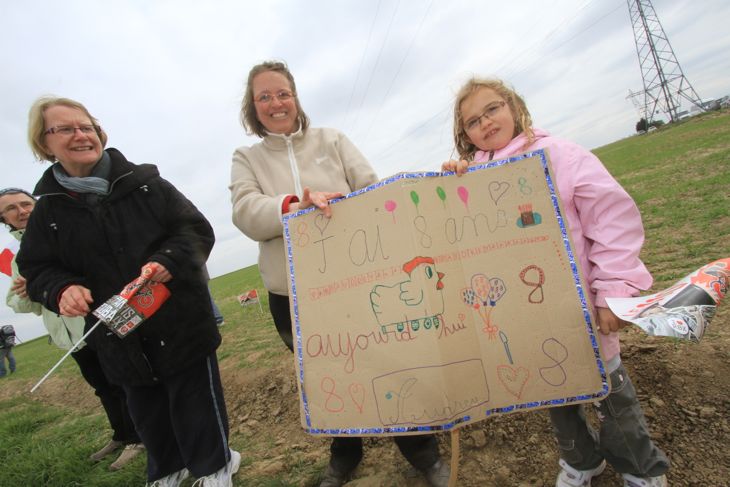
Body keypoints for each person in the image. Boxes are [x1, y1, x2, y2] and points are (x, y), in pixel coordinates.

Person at [230, 60, 450, 487]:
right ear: (252, 108)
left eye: (283, 93)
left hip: (357, 285)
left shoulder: (331, 140)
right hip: (291, 296)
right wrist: (295, 205)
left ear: (295, 97)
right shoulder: (247, 158)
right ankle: (344, 455)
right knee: (327, 376)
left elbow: (372, 190)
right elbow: (245, 213)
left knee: (390, 363)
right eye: (264, 97)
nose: (276, 103)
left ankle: (421, 452)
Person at [443, 78, 669, 487]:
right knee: (554, 392)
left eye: (492, 109)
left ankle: (641, 469)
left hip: (580, 309)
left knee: (612, 396)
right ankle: (582, 462)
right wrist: (453, 182)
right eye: (473, 121)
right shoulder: (472, 175)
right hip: (526, 318)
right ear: (465, 133)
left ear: (513, 106)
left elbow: (611, 221)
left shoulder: (561, 155)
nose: (486, 123)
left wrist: (612, 290)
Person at [17, 96, 239, 487]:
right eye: (65, 129)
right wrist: (61, 289)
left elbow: (195, 230)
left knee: (194, 399)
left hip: (178, 319)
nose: (80, 134)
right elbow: (36, 269)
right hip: (115, 333)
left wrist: (167, 261)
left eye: (86, 126)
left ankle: (215, 466)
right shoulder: (47, 212)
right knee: (146, 406)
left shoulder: (147, 185)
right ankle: (168, 469)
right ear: (44, 143)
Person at [1, 187, 144, 469]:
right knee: (101, 387)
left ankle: (139, 439)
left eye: (26, 204)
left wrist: (48, 285)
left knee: (122, 383)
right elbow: (17, 303)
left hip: (95, 324)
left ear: (37, 205)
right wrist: (32, 292)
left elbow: (94, 271)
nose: (21, 211)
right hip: (68, 336)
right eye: (11, 209)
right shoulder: (19, 260)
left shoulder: (63, 235)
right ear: (4, 220)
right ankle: (120, 434)